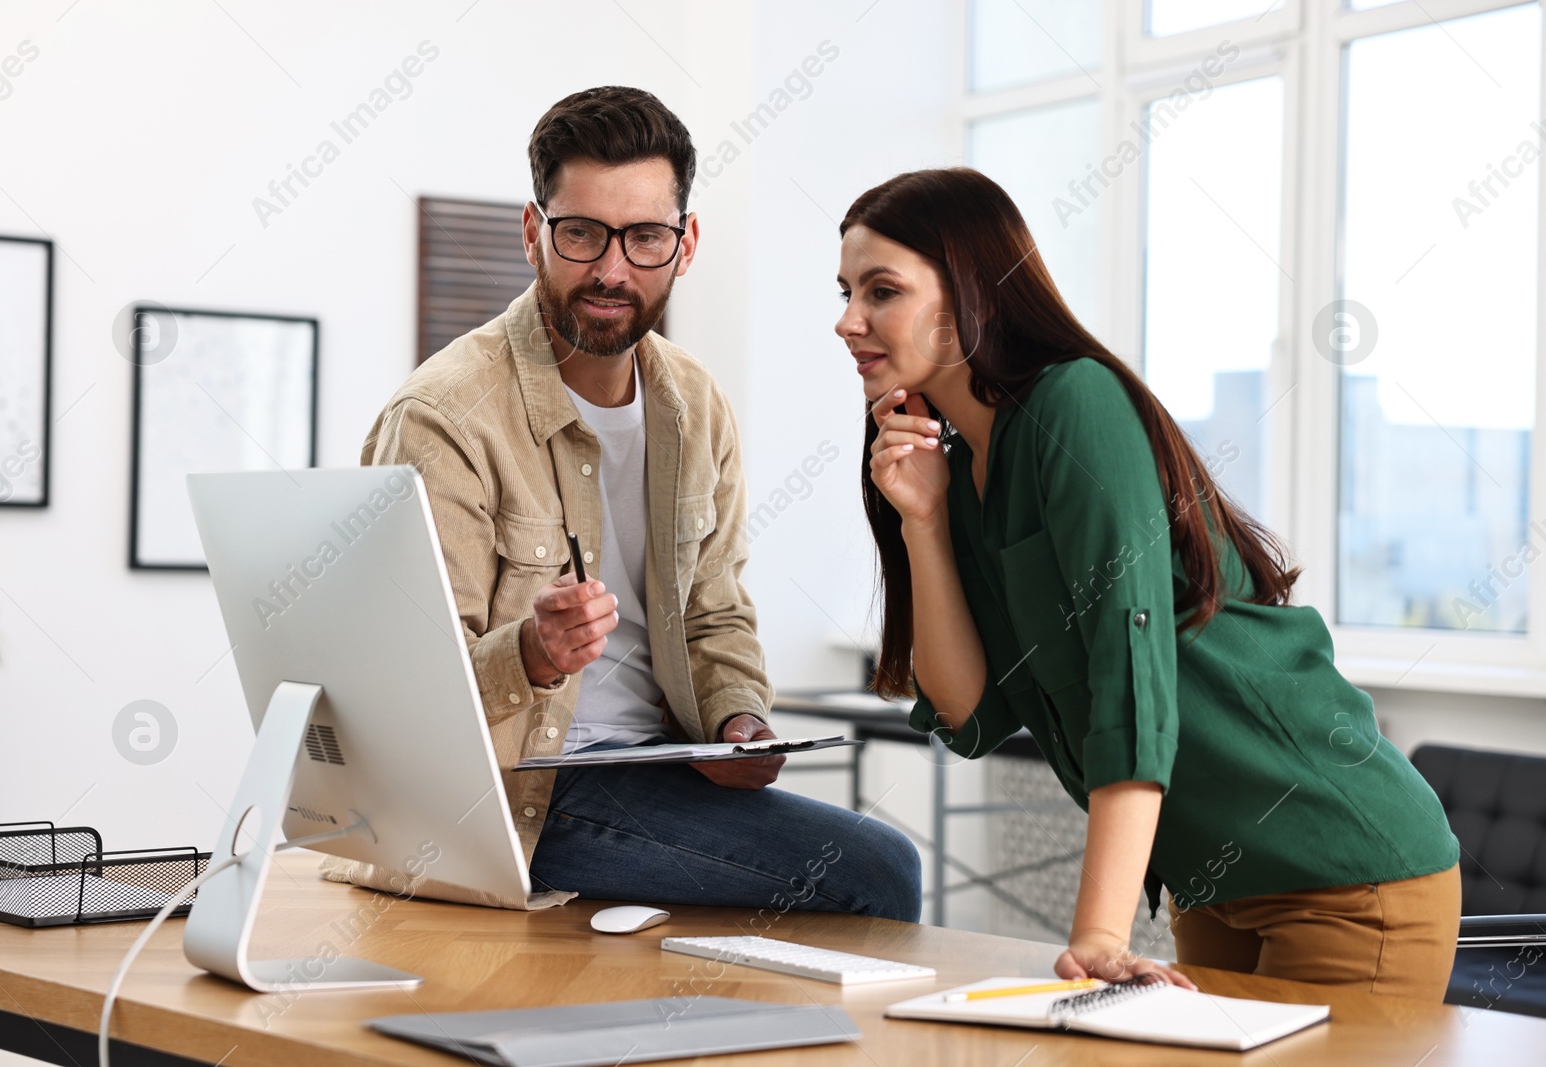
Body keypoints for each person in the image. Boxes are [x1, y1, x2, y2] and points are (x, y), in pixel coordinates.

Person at [836, 166, 1460, 995]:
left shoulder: (1074, 404)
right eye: (846, 291)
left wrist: (1098, 931)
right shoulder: (966, 470)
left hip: (1342, 871)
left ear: (974, 292)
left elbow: (1130, 672)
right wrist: (924, 523)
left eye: (882, 291)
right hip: (1212, 887)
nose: (848, 322)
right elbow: (971, 711)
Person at [361, 86, 920, 921]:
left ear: (685, 243)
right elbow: (400, 692)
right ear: (532, 233)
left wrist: (737, 720)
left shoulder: (694, 402)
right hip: (522, 795)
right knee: (876, 870)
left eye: (645, 237)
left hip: (660, 769)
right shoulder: (445, 417)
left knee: (874, 861)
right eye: (581, 233)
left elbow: (715, 609)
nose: (611, 270)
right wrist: (535, 652)